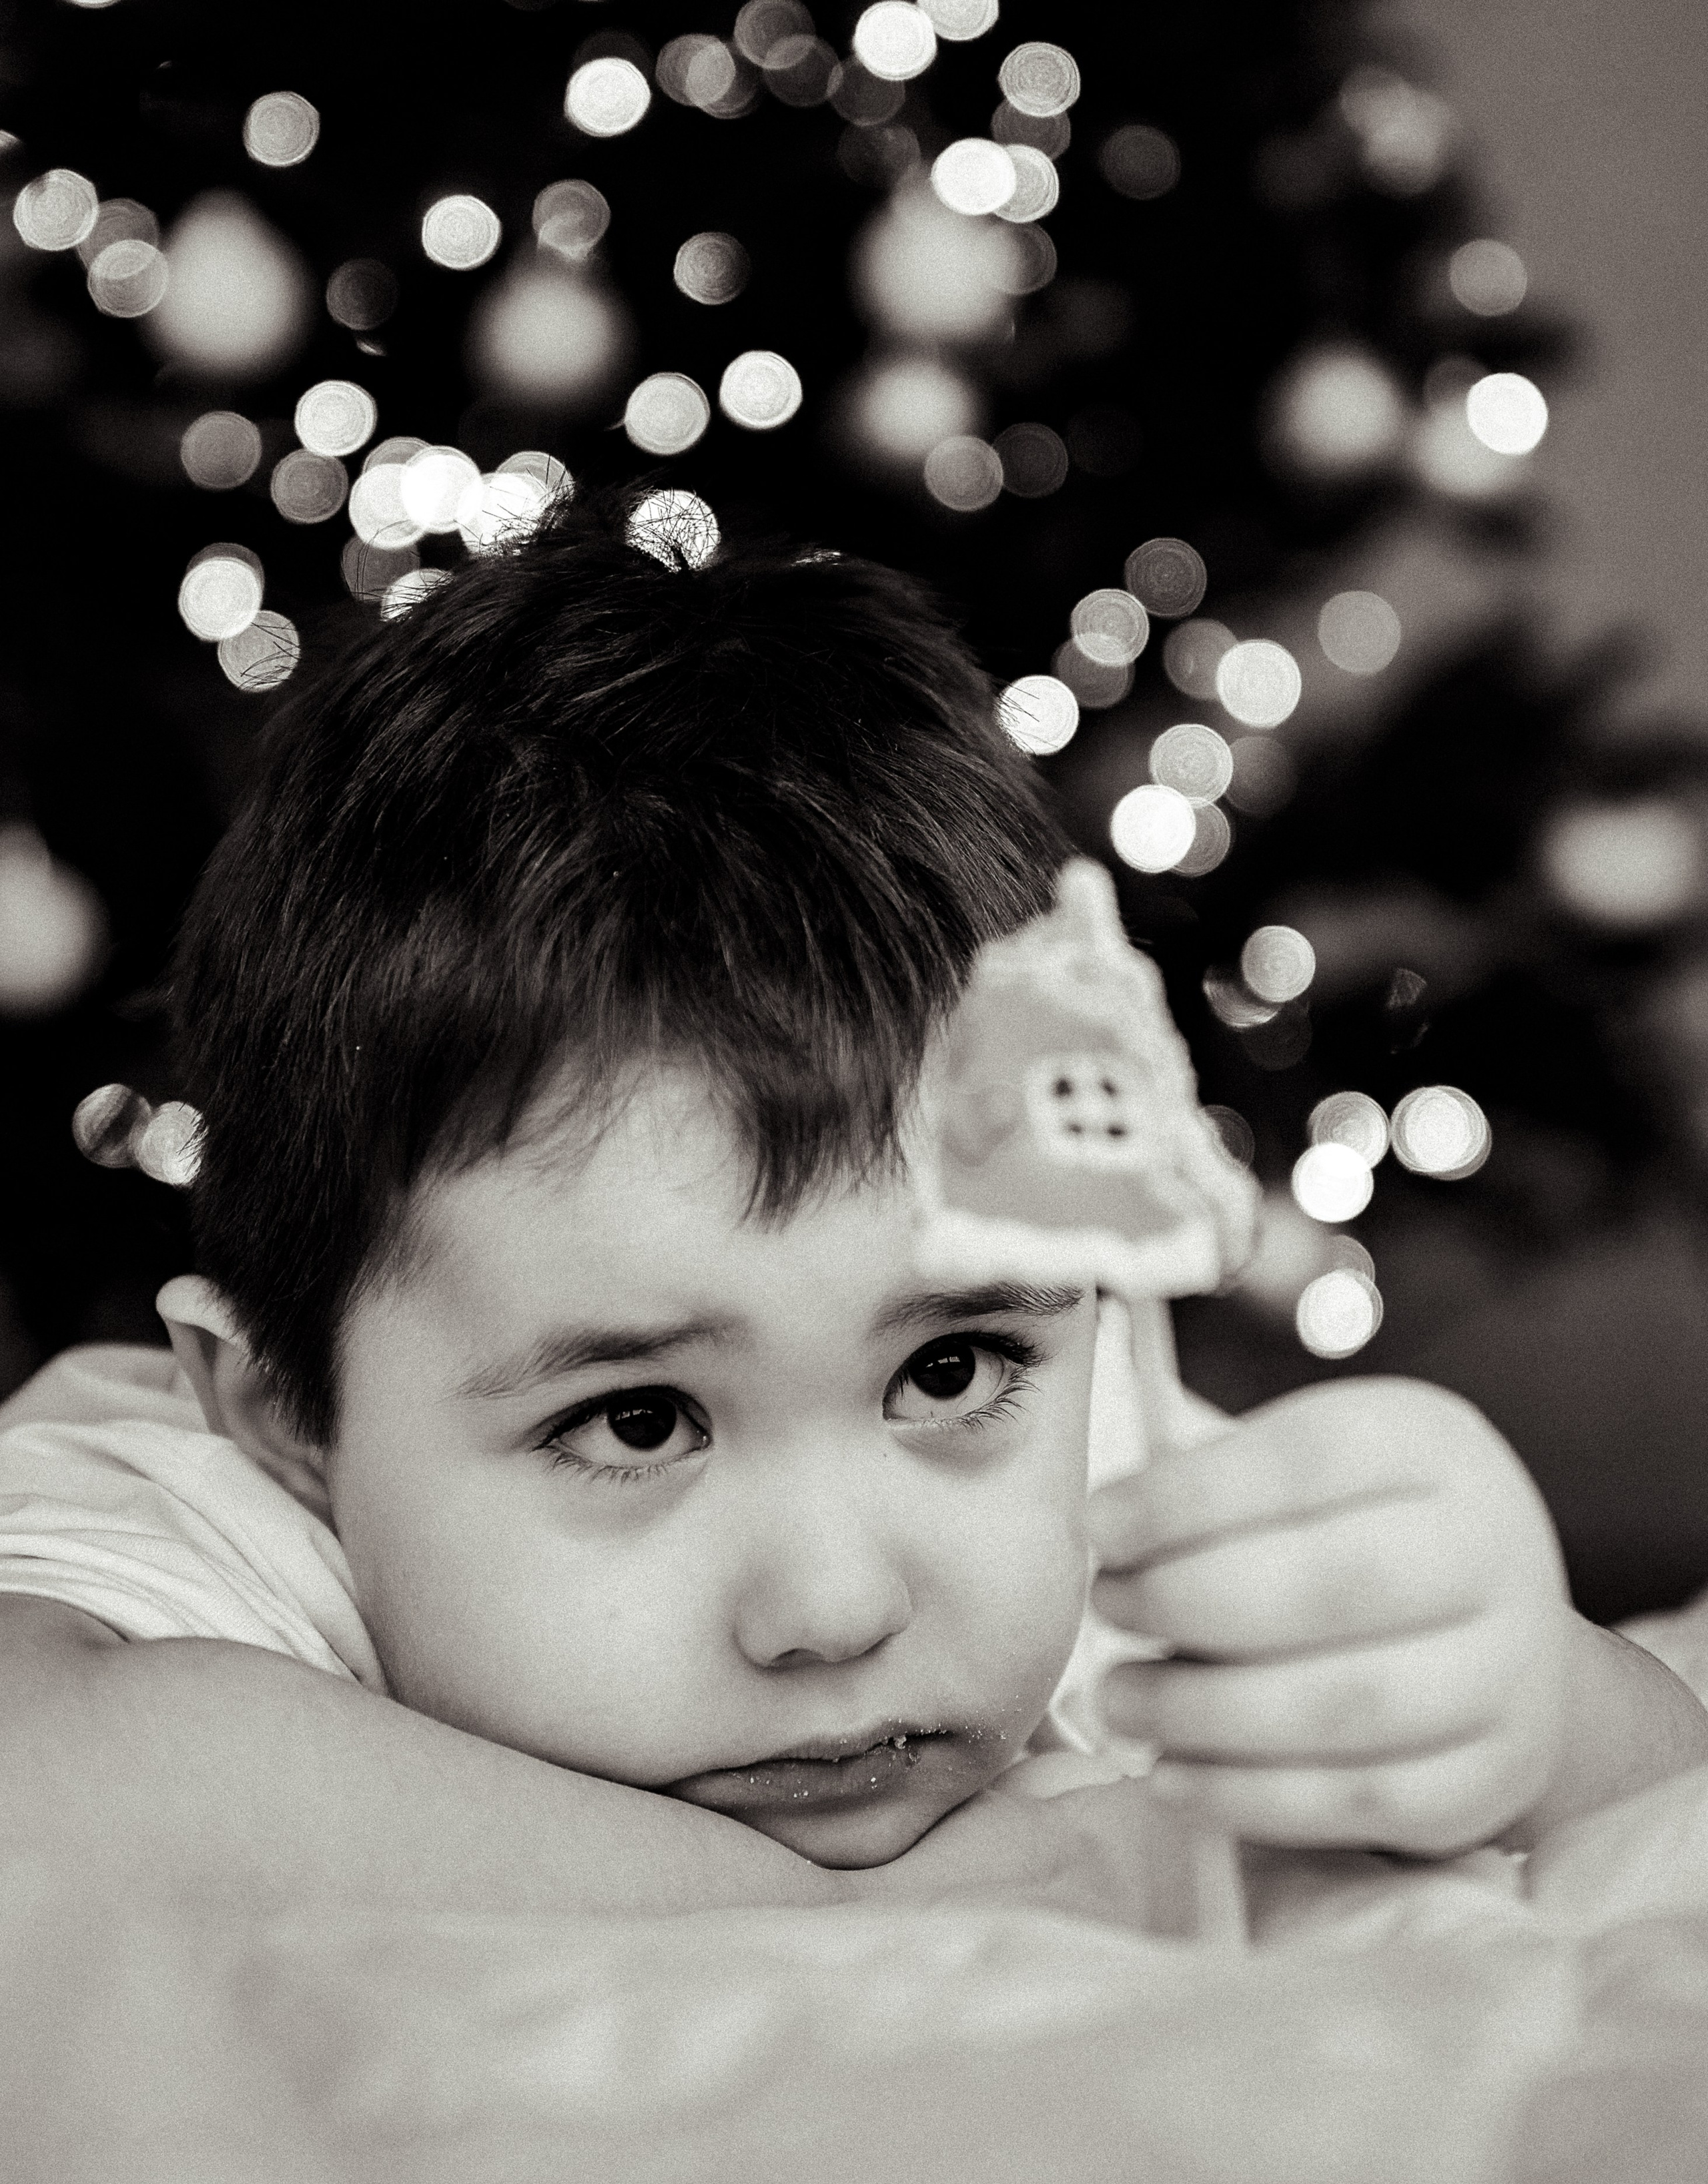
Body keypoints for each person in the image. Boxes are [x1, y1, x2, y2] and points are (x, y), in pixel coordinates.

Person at [1, 493, 1701, 1934]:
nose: (833, 1607)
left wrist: (1541, 1709)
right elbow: (51, 1783)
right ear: (284, 1410)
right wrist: (953, 1911)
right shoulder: (187, 1509)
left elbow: (1659, 1800)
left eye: (948, 1374)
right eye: (638, 1416)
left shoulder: (1107, 1457)